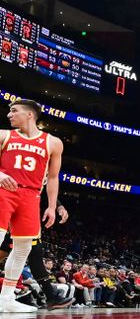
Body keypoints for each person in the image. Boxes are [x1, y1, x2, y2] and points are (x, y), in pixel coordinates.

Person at [0, 99, 64, 313]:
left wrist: (52, 206)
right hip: (4, 191)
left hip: (31, 196)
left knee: (23, 248)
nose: (9, 115)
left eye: (14, 111)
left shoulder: (53, 142)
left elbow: (53, 177)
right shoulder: (4, 135)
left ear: (29, 115)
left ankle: (6, 298)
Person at [0, 190, 73, 309]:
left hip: (24, 212)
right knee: (29, 254)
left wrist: (56, 206)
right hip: (11, 208)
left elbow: (43, 189)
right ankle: (50, 296)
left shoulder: (37, 182)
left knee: (32, 255)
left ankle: (6, 298)